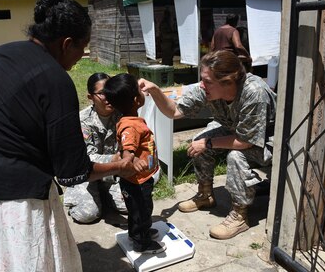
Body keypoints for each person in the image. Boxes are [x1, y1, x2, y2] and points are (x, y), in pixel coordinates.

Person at [0, 0, 137, 271]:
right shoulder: (55, 81)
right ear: (67, 43)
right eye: (82, 48)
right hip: (12, 203)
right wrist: (119, 166)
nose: (81, 56)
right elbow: (72, 172)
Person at [139, 50, 276, 240]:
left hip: (268, 142)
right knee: (200, 142)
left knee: (235, 155)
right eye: (202, 79)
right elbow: (175, 111)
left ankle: (240, 214)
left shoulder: (254, 92)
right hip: (237, 132)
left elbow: (245, 141)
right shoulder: (208, 88)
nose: (202, 85)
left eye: (208, 81)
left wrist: (209, 143)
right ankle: (206, 195)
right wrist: (154, 90)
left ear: (228, 82)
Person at [104, 73, 166, 254]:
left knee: (137, 210)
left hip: (140, 178)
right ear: (136, 100)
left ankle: (137, 233)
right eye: (139, 90)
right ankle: (142, 242)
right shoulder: (130, 126)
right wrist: (134, 160)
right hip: (136, 181)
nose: (142, 90)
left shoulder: (130, 119)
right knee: (142, 211)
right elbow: (127, 151)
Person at [64, 72, 127, 223]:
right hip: (87, 175)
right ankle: (77, 193)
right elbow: (87, 158)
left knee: (129, 205)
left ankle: (103, 194)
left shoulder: (122, 115)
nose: (109, 97)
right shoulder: (81, 121)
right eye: (102, 93)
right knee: (88, 215)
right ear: (90, 97)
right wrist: (115, 158)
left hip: (112, 173)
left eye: (111, 91)